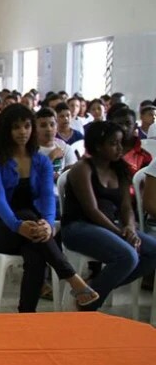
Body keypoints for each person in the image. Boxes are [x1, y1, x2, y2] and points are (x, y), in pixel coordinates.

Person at [0, 104, 99, 312]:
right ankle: (71, 276)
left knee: (36, 256)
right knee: (27, 215)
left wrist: (47, 222)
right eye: (16, 127)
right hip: (2, 229)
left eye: (27, 126)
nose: (22, 132)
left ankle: (26, 314)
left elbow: (47, 195)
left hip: (33, 231)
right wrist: (18, 225)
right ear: (6, 131)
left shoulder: (41, 162)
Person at [62, 121, 156, 311]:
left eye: (121, 143)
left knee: (153, 251)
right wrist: (119, 233)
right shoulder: (83, 168)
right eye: (114, 143)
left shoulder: (119, 169)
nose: (120, 148)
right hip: (78, 228)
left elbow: (126, 207)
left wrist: (129, 228)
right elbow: (92, 210)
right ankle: (88, 306)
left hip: (109, 227)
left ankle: (92, 288)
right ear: (98, 146)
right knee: (128, 256)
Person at [109, 106, 152, 179]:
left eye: (128, 124)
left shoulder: (144, 156)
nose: (124, 128)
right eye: (119, 124)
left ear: (135, 126)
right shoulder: (105, 151)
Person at [36, 107, 77, 183]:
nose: (49, 129)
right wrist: (51, 157)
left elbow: (71, 176)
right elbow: (34, 178)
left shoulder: (65, 148)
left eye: (52, 124)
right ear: (35, 129)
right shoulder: (31, 150)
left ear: (57, 126)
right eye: (43, 125)